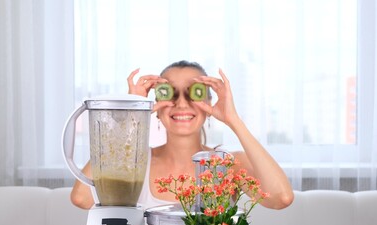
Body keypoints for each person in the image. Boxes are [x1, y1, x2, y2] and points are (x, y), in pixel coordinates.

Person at [70, 60, 294, 210]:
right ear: (156, 105)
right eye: (170, 93)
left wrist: (232, 119)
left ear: (208, 104)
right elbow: (82, 197)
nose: (181, 103)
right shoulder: (135, 164)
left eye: (193, 93)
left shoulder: (228, 164)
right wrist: (132, 111)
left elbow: (281, 197)